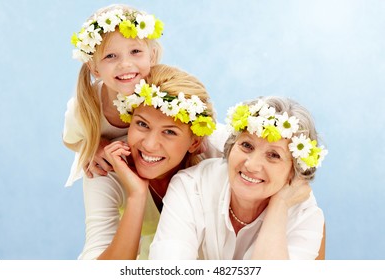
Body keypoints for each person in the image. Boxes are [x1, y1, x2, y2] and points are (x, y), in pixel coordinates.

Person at [149, 96, 328, 260]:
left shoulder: (304, 217)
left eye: (273, 155)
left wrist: (278, 207)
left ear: (293, 170)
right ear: (231, 145)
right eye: (246, 145)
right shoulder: (191, 186)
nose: (251, 165)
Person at [79, 64, 220, 259]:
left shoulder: (220, 149)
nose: (150, 145)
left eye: (169, 132)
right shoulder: (106, 167)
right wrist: (136, 196)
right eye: (142, 124)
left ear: (195, 142)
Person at [62, 4, 164, 186]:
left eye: (135, 51)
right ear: (94, 69)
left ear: (152, 56)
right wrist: (94, 144)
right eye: (110, 56)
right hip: (117, 180)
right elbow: (70, 140)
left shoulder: (166, 94)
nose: (125, 64)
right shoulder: (84, 106)